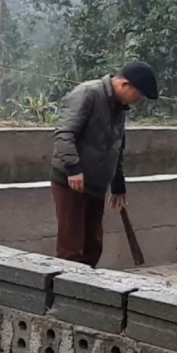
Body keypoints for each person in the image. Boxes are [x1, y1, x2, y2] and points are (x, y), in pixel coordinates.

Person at [51, 62, 158, 268]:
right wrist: (73, 169)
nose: (137, 101)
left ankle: (88, 289)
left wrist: (118, 183)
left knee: (93, 245)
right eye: (138, 95)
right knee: (71, 247)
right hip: (71, 182)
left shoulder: (120, 107)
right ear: (125, 84)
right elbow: (64, 134)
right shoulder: (88, 94)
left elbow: (117, 145)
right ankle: (66, 292)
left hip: (96, 183)